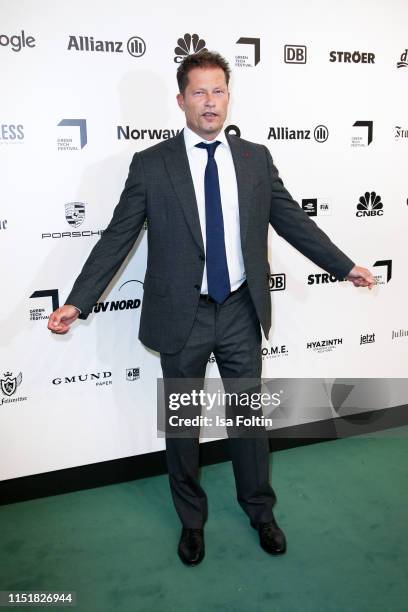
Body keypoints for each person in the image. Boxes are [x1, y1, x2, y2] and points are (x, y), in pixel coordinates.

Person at [48, 51, 375, 566]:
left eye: (218, 90)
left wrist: (343, 265)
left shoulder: (255, 158)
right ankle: (191, 522)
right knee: (183, 426)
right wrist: (77, 300)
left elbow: (292, 222)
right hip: (184, 314)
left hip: (242, 309)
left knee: (248, 421)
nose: (209, 102)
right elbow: (118, 237)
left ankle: (260, 512)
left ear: (228, 96)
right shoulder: (152, 164)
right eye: (198, 92)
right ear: (180, 100)